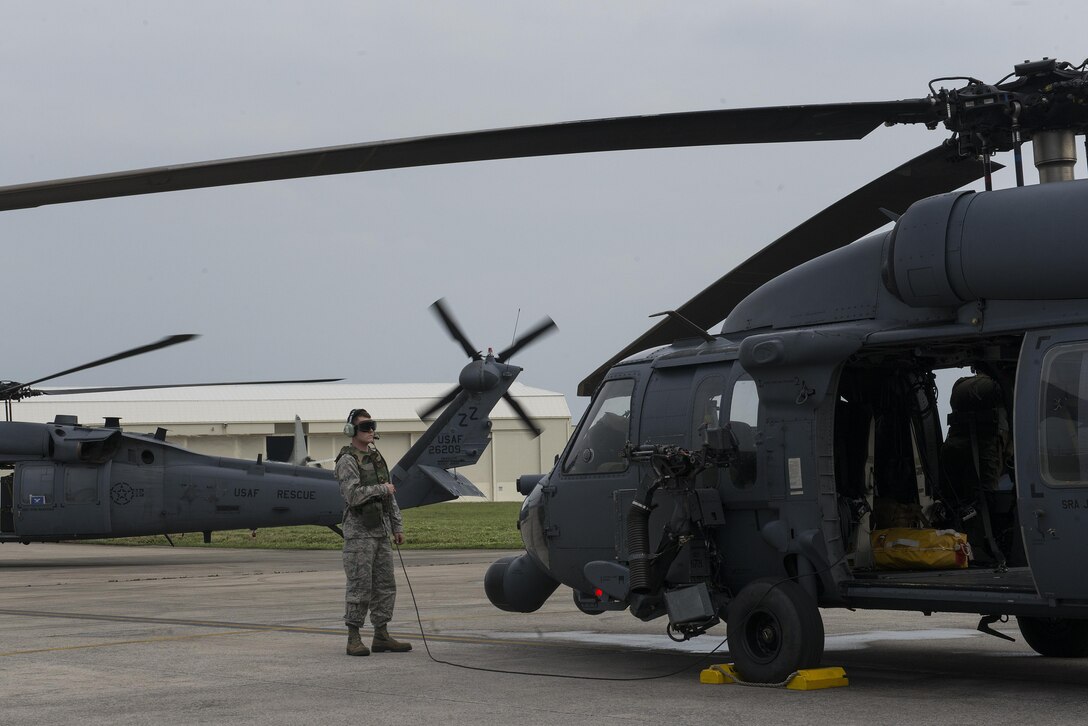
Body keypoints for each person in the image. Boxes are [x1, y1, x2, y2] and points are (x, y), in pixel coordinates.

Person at [335, 407, 412, 656]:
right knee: (360, 586)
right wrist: (382, 489)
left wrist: (396, 526)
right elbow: (353, 495)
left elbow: (391, 497)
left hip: (380, 531)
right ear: (352, 431)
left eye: (372, 426)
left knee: (386, 585)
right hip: (359, 534)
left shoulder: (377, 458)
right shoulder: (347, 460)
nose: (370, 431)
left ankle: (381, 634)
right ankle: (353, 637)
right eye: (365, 427)